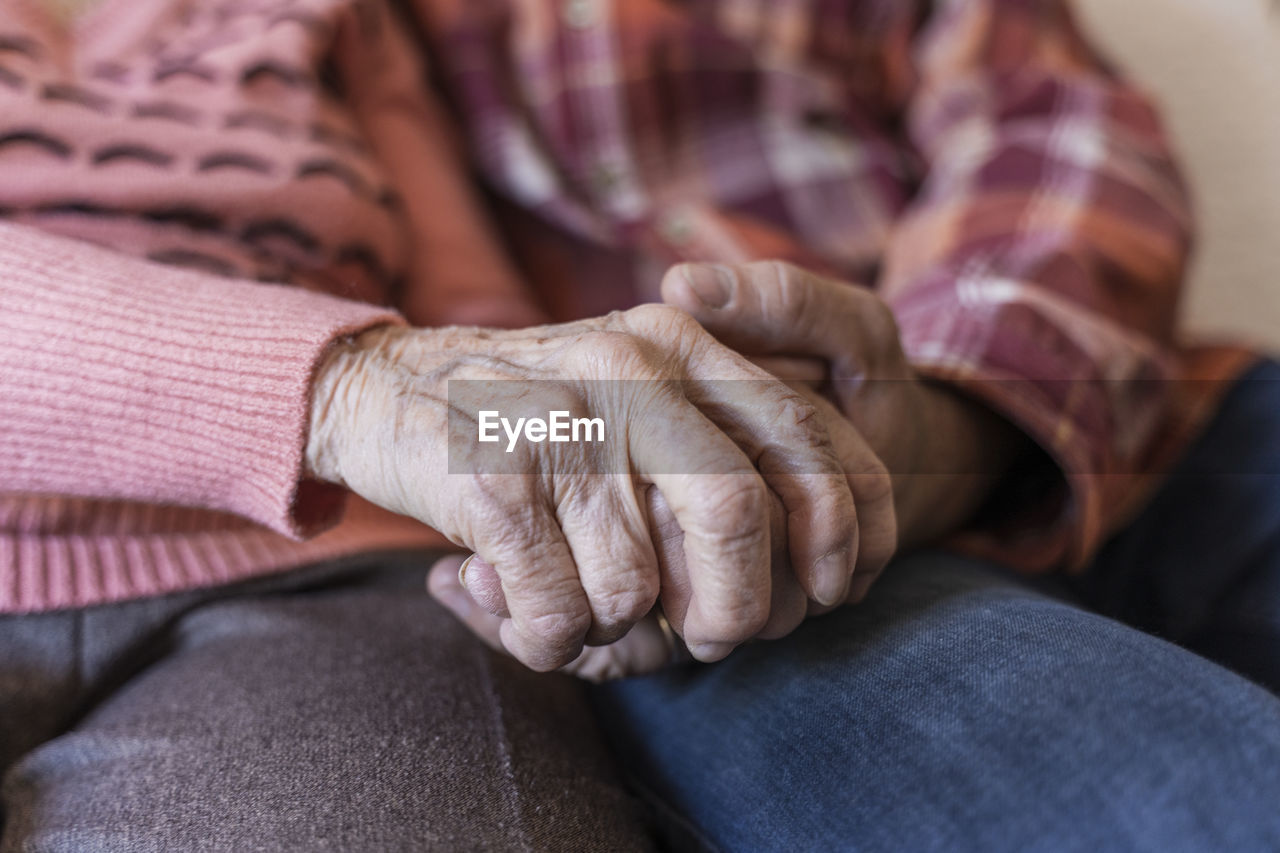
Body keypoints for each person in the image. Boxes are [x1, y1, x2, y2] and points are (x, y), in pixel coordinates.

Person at [1, 0, 1278, 851]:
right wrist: (369, 397)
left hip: (1093, 423)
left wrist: (934, 415)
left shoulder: (342, 32)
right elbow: (453, 377)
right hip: (736, 524)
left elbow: (497, 360)